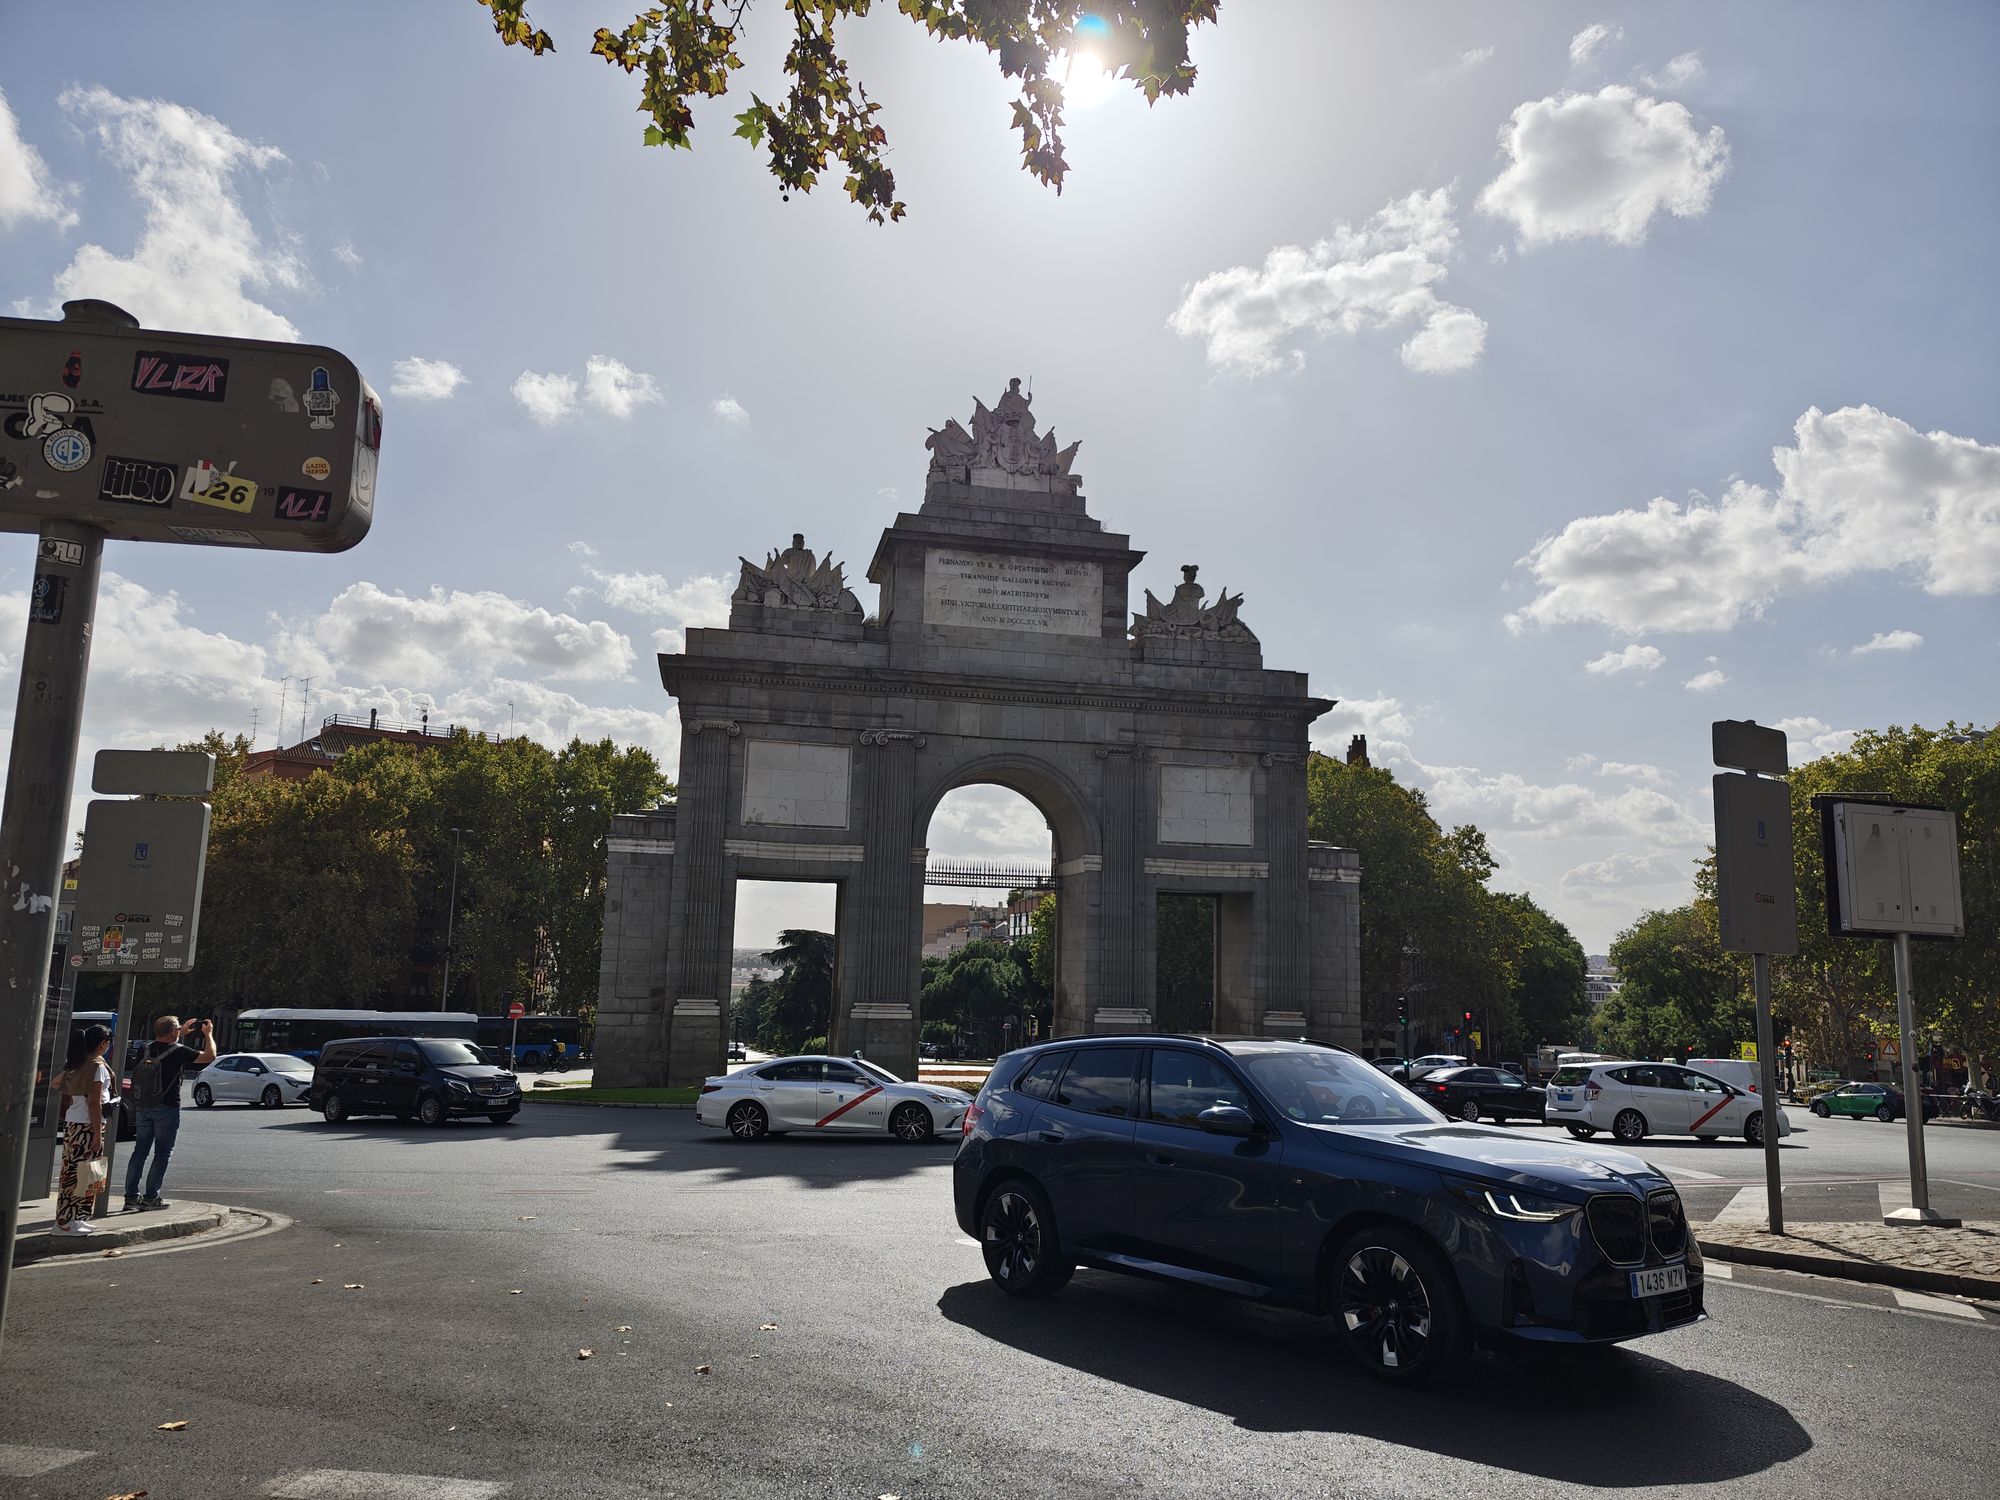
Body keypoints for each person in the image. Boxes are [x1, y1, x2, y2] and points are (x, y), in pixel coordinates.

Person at [122, 1015, 215, 1212]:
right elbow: (210, 1056)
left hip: (143, 1105)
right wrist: (208, 1034)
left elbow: (164, 1047)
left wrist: (178, 1032)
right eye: (177, 1029)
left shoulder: (144, 1049)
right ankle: (151, 1197)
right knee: (162, 1153)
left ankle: (131, 1198)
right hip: (167, 1107)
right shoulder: (179, 1051)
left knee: (140, 1151)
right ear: (173, 1032)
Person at [54, 1024, 114, 1235]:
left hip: (72, 1123)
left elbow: (55, 1083)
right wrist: (98, 1133)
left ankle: (74, 1219)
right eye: (108, 1043)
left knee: (73, 1172)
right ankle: (67, 1222)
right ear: (102, 1043)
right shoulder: (96, 1066)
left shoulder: (76, 1063)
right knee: (82, 1174)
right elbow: (94, 1103)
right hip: (87, 1125)